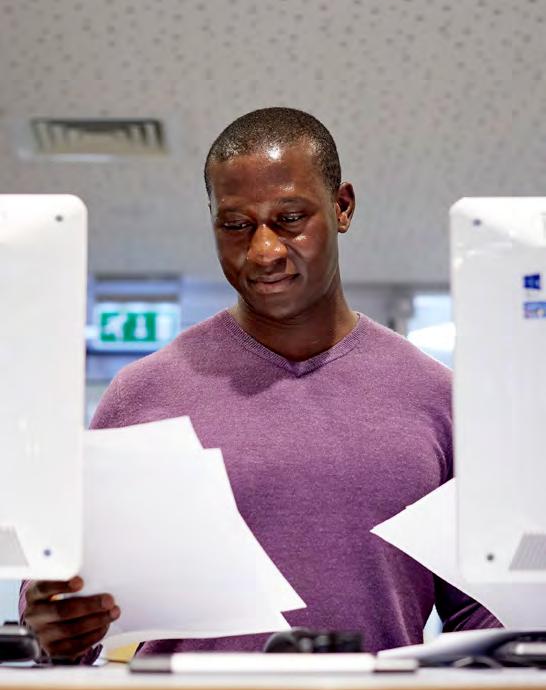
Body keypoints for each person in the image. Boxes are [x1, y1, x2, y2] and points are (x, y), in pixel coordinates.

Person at [22, 107, 499, 662]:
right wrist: (53, 625)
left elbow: (483, 614)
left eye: (290, 218)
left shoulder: (438, 399)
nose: (264, 251)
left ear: (342, 207)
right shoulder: (143, 393)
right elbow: (60, 596)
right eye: (235, 225)